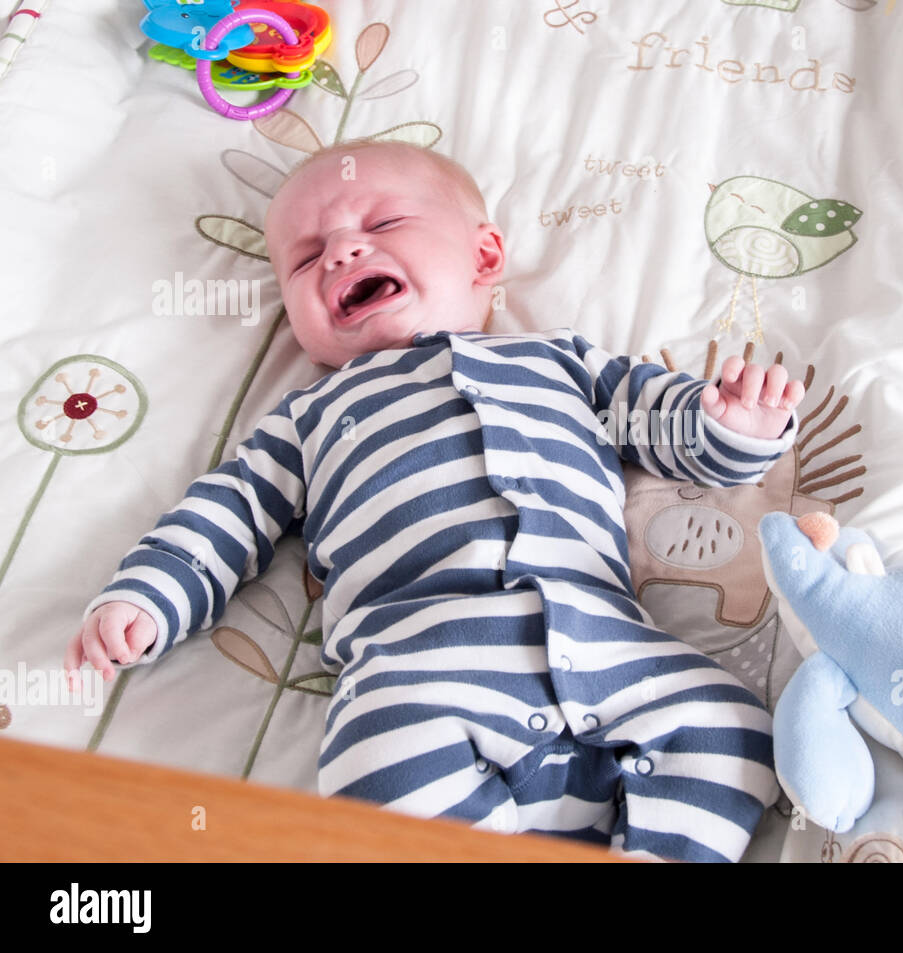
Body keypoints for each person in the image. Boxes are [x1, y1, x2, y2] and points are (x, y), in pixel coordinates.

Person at [66, 140, 806, 862]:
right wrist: (148, 596)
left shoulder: (560, 362)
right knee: (376, 752)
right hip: (424, 659)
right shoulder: (311, 416)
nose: (342, 253)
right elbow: (228, 512)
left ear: (484, 257)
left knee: (732, 728)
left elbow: (663, 423)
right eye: (304, 256)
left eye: (382, 225)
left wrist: (733, 426)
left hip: (606, 640)